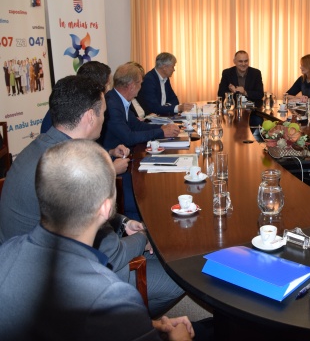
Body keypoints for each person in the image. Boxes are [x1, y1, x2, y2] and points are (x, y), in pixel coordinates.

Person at [0, 75, 184, 317]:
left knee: (162, 255)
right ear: (89, 116)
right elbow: (113, 254)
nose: (105, 119)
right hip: (53, 283)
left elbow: (82, 210)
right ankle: (132, 322)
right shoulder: (73, 168)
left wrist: (124, 223)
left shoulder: (43, 149)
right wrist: (144, 237)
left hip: (20, 263)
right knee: (179, 275)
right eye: (103, 113)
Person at [0, 140, 194, 341]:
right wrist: (178, 337)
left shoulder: (6, 251)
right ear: (106, 209)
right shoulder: (112, 296)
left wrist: (150, 325)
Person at [103, 62, 180, 151]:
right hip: (116, 156)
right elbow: (129, 138)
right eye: (140, 83)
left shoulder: (118, 99)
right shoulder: (112, 105)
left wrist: (163, 127)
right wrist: (161, 132)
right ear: (132, 86)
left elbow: (137, 126)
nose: (141, 87)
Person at [40, 60, 113, 133]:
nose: (109, 90)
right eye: (107, 85)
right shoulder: (74, 111)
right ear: (97, 87)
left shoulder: (69, 102)